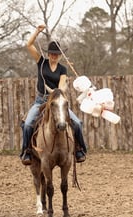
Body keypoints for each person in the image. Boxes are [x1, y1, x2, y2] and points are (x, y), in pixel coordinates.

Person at [20, 24, 87, 166]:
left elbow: (62, 85)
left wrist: (57, 91)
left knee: (77, 123)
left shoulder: (63, 69)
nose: (53, 56)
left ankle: (79, 149)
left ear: (60, 55)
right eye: (51, 53)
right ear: (48, 54)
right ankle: (26, 151)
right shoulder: (41, 62)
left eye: (56, 54)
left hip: (57, 102)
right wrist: (37, 32)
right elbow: (29, 44)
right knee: (27, 124)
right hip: (41, 101)